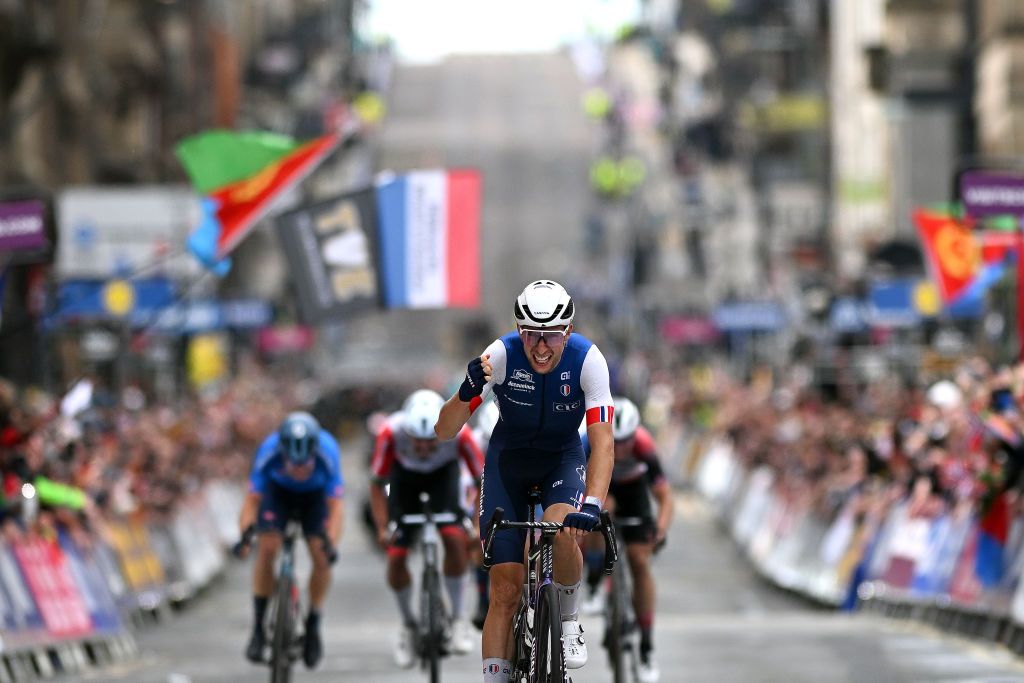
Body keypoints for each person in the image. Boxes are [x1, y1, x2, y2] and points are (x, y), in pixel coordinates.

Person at [435, 279, 615, 683]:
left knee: (564, 528)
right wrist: (464, 394)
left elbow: (603, 444)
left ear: (567, 331)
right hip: (507, 464)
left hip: (561, 461)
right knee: (505, 590)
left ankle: (569, 620)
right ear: (519, 329)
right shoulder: (499, 356)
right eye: (531, 334)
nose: (540, 347)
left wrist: (593, 503)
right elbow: (445, 430)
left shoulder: (589, 360)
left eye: (551, 335)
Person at [369, 389, 484, 667]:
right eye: (415, 442)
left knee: (454, 539)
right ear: (404, 432)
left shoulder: (461, 433)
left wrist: (478, 525)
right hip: (404, 483)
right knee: (396, 557)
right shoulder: (389, 433)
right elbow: (376, 484)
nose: (422, 449)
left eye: (430, 442)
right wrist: (383, 528)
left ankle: (458, 619)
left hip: (444, 480)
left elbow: (483, 481)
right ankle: (408, 625)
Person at [238, 411, 344, 669]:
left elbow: (336, 508)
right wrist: (245, 535)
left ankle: (314, 624)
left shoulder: (328, 451)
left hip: (315, 498)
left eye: (304, 465)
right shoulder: (269, 451)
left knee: (320, 556)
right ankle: (259, 627)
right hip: (279, 494)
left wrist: (330, 542)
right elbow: (251, 501)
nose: (298, 470)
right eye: (293, 465)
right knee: (268, 548)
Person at [580, 396, 673, 683]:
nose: (620, 449)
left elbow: (665, 497)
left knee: (638, 560)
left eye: (626, 442)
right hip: (601, 484)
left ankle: (646, 645)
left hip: (635, 494)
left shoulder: (644, 446)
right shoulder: (587, 441)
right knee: (599, 512)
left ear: (635, 435)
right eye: (614, 441)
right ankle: (595, 580)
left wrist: (660, 528)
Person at [469, 400, 501, 629]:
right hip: (486, 485)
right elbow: (472, 487)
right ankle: (482, 600)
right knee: (477, 538)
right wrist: (473, 525)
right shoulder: (475, 443)